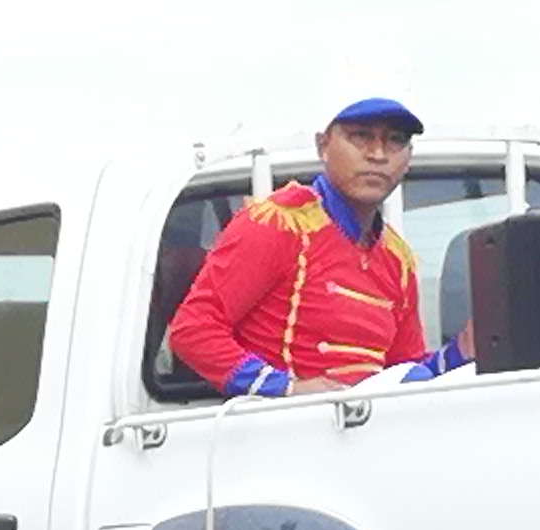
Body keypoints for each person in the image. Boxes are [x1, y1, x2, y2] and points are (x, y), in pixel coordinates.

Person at [168, 98, 464, 394]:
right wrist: (288, 389)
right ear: (323, 145)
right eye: (360, 136)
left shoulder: (397, 258)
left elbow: (402, 371)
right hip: (283, 420)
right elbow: (193, 329)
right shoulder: (280, 223)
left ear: (408, 158)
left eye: (395, 140)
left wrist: (462, 352)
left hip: (366, 421)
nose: (377, 154)